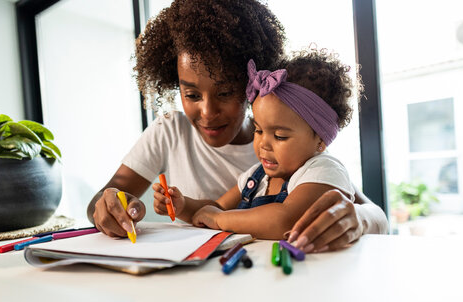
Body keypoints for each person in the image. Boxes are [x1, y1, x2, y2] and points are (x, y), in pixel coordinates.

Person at [87, 0, 388, 253]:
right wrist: (113, 205)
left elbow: (373, 213)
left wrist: (360, 218)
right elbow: (211, 209)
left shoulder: (300, 154)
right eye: (191, 95)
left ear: (251, 86)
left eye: (225, 93)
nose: (207, 112)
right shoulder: (171, 132)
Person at [153, 50, 357, 242]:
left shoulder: (323, 172)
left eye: (279, 136)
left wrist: (218, 220)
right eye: (258, 130)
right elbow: (217, 207)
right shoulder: (256, 177)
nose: (263, 144)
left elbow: (284, 220)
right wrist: (182, 205)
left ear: (320, 140)